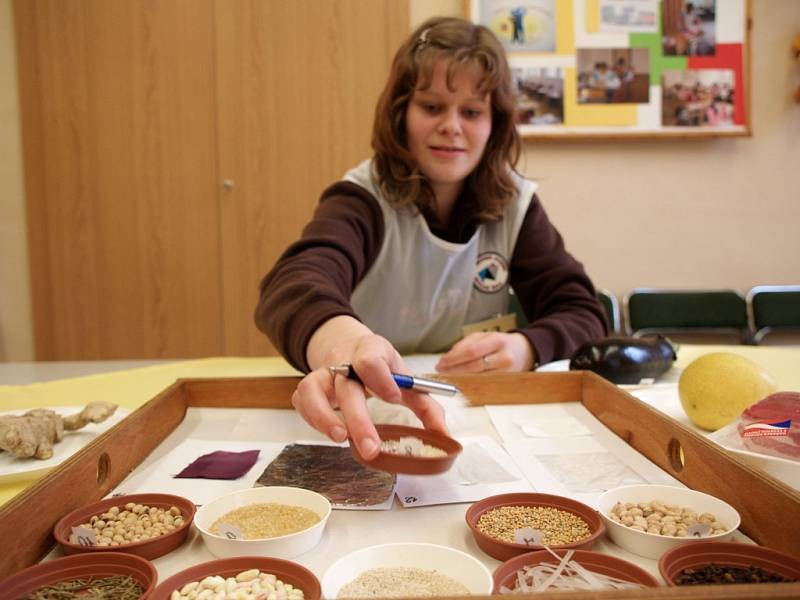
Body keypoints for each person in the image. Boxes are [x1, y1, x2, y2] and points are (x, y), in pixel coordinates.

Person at [255, 17, 607, 461]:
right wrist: (344, 347)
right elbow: (291, 283)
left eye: (472, 112)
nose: (452, 126)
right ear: (400, 112)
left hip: (467, 414)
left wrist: (527, 346)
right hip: (364, 407)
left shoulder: (515, 204)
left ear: (495, 125)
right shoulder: (363, 197)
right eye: (432, 106)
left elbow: (583, 311)